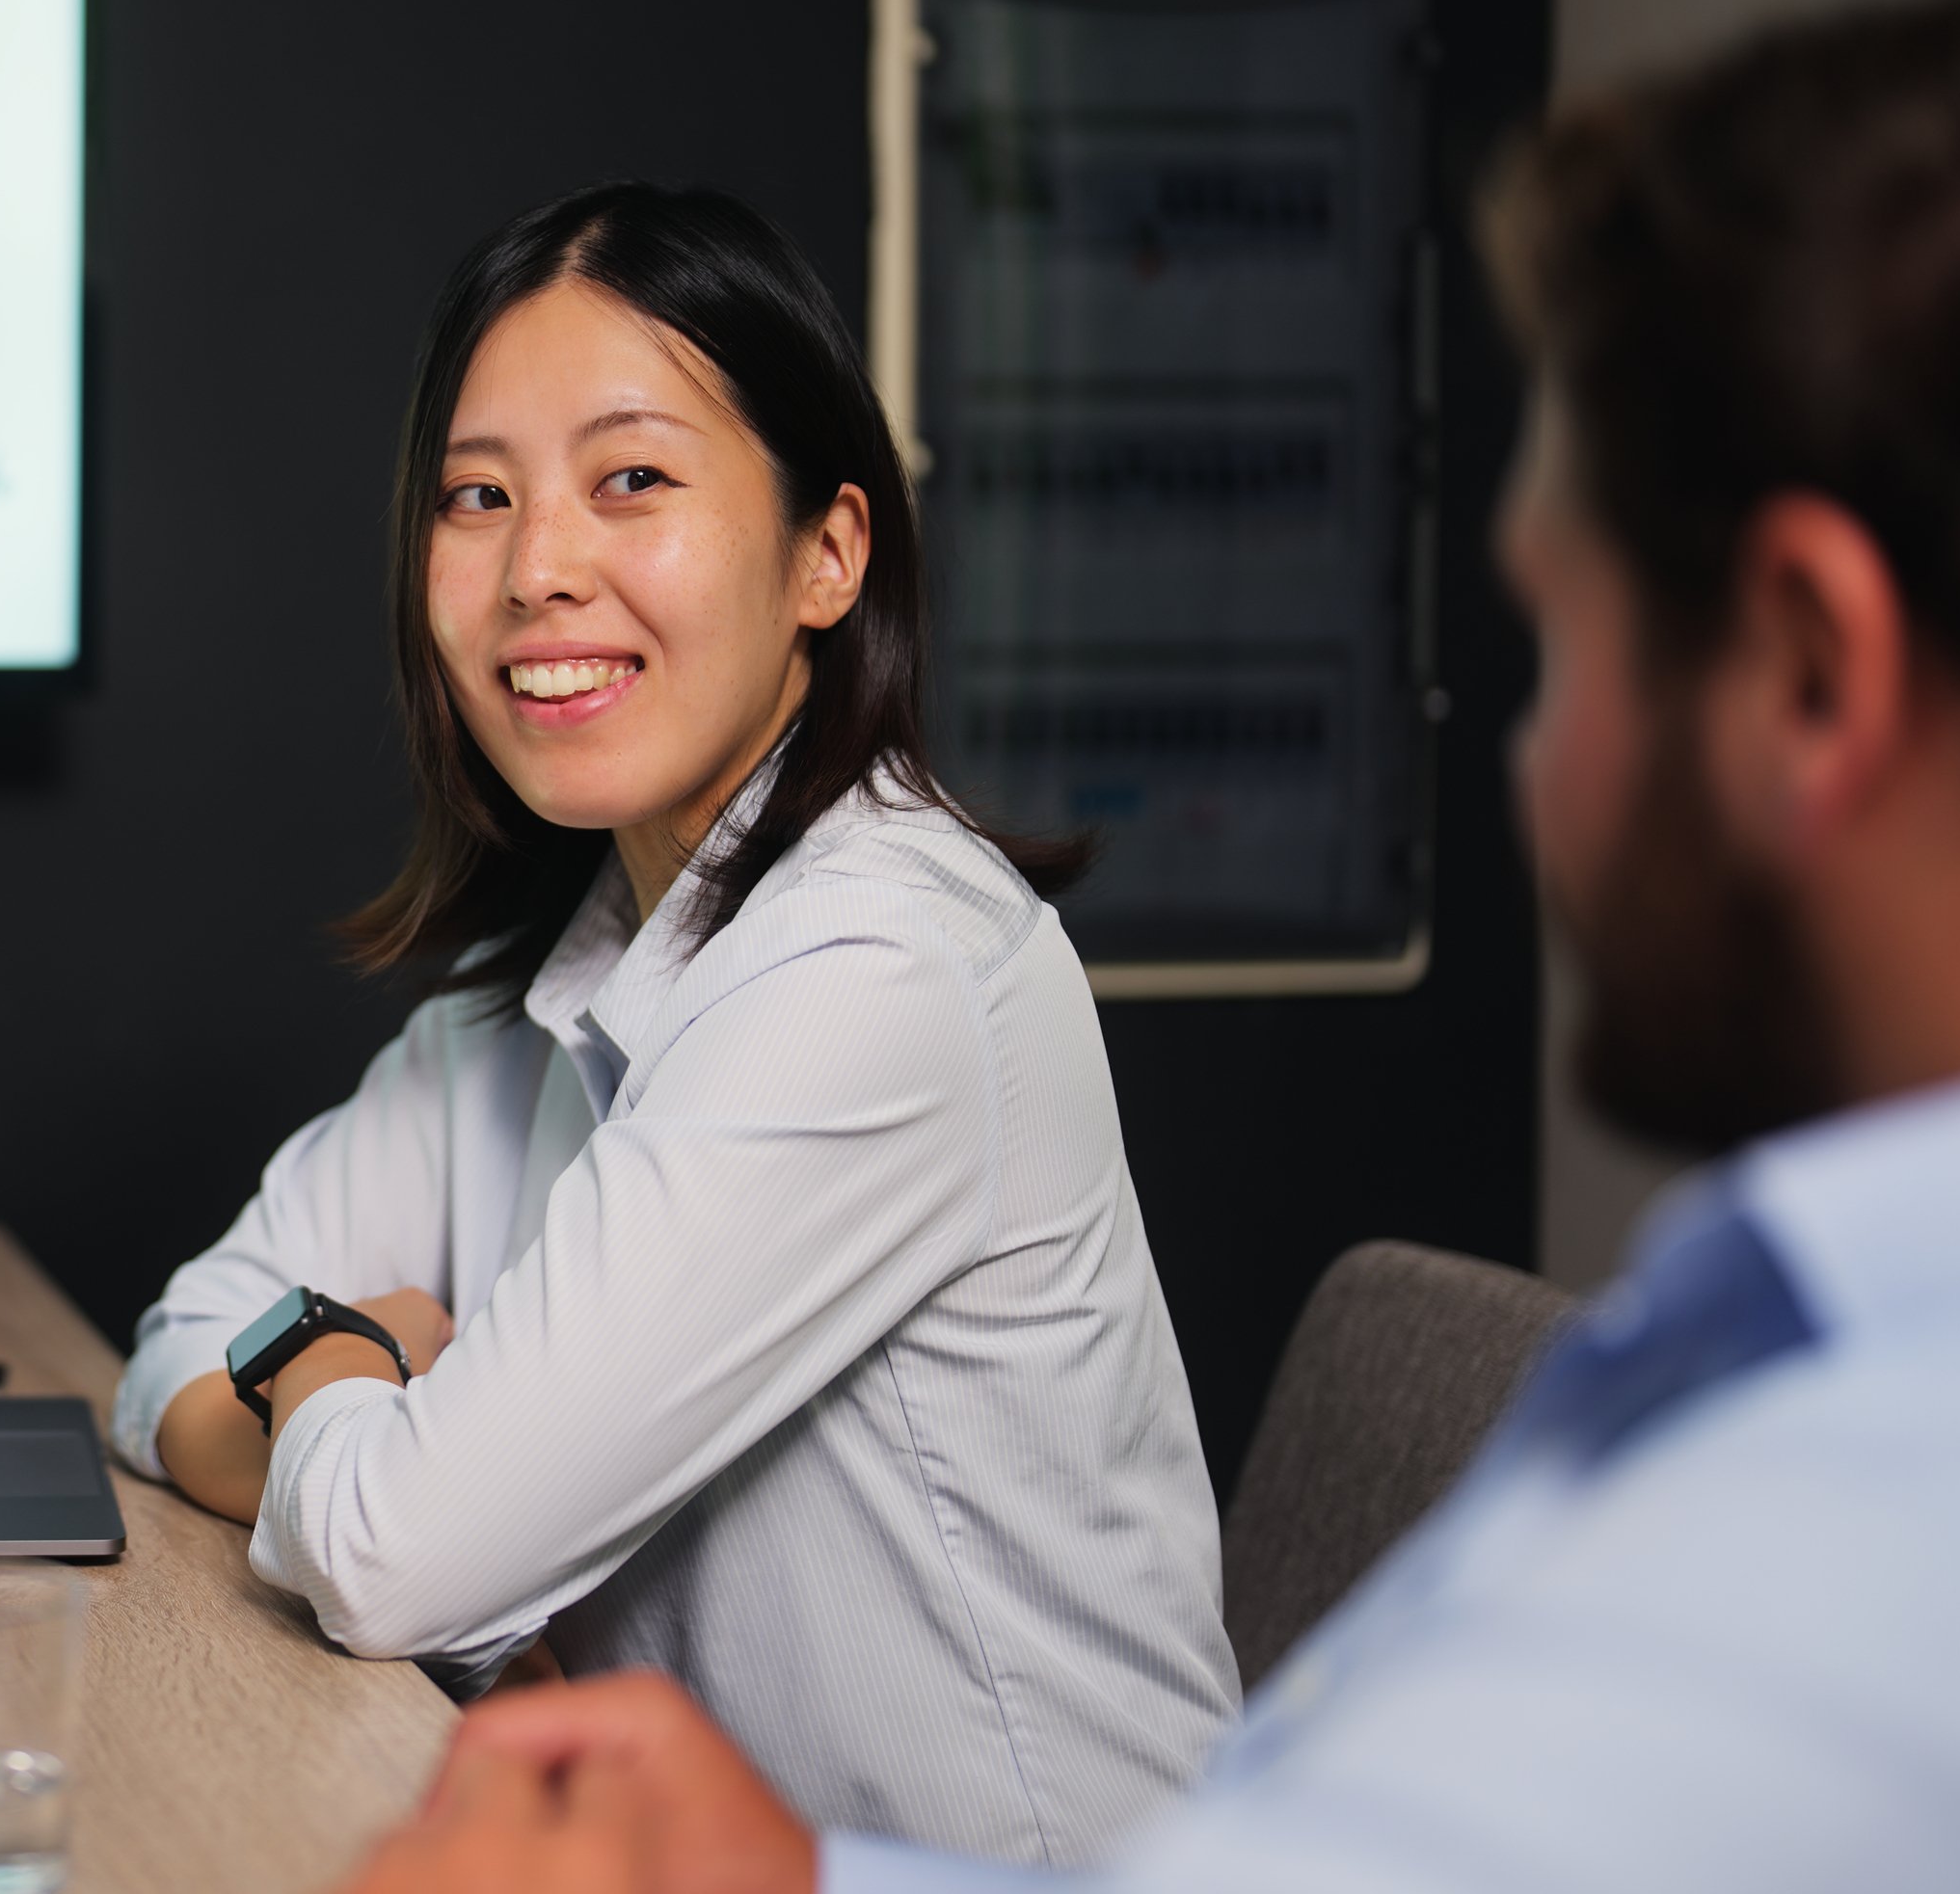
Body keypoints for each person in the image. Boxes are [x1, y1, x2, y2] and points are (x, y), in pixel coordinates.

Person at [333, 0, 1960, 1894]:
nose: (1530, 764)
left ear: (1808, 672)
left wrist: (775, 1877)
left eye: (1561, 646)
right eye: (480, 497)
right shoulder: (1767, 1339)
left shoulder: (1897, 1506)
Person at [114, 184, 1238, 1863]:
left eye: (631, 480)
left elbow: (390, 1555)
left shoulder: (881, 965)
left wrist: (329, 1366)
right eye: (478, 497)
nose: (537, 569)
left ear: (828, 553)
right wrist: (334, 1410)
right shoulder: (553, 984)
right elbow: (174, 1350)